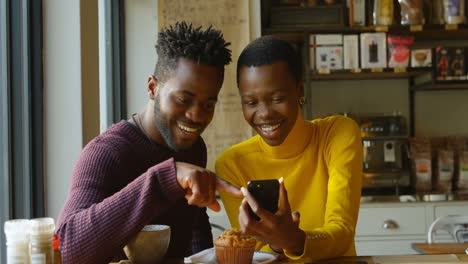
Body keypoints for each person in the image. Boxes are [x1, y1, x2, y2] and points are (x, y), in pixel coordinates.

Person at [56, 21, 241, 263]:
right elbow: (66, 247)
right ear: (153, 88)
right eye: (183, 99)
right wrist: (166, 178)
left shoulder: (194, 148)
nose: (196, 116)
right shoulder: (105, 154)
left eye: (208, 105)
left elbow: (196, 226)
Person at [215, 36, 363, 261]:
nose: (264, 114)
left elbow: (342, 232)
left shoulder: (337, 135)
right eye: (251, 103)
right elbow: (251, 254)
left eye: (277, 98)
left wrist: (292, 240)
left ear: (300, 91)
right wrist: (278, 243)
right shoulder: (231, 164)